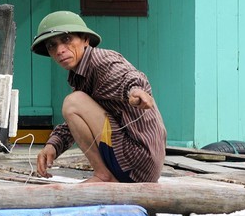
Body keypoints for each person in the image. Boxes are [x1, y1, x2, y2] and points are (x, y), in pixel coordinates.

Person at [31, 10, 166, 184]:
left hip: (138, 160)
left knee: (72, 102)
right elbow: (80, 120)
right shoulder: (80, 73)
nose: (60, 50)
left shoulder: (101, 61)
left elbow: (127, 77)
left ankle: (103, 175)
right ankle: (107, 175)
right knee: (75, 103)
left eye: (66, 40)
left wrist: (136, 91)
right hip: (135, 164)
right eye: (52, 46)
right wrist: (52, 145)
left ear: (85, 40)